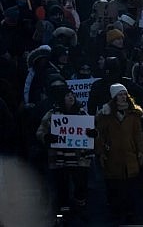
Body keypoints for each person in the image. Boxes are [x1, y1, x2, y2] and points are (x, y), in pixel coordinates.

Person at [36, 83, 93, 217]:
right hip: (59, 159)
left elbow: (91, 130)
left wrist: (93, 134)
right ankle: (63, 212)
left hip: (79, 158)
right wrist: (47, 137)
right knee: (62, 186)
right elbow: (40, 132)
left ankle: (81, 209)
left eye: (72, 95)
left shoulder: (82, 112)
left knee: (81, 185)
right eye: (67, 95)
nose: (70, 97)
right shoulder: (52, 114)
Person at [94, 83, 143, 223]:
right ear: (114, 97)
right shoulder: (106, 115)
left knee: (130, 188)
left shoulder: (134, 114)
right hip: (113, 156)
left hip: (130, 156)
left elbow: (138, 134)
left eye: (124, 94)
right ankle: (115, 212)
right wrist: (101, 152)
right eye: (120, 95)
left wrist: (141, 151)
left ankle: (130, 212)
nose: (123, 97)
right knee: (114, 187)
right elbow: (99, 135)